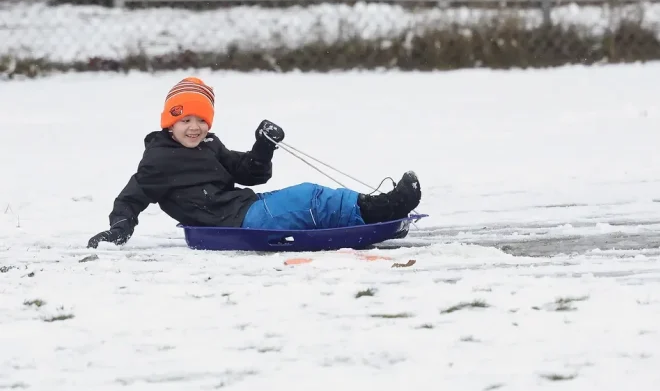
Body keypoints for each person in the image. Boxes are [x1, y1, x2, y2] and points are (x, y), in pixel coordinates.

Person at [86, 76, 422, 249]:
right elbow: (132, 196)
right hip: (233, 224)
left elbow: (250, 173)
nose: (194, 127)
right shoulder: (157, 161)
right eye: (184, 120)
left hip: (247, 210)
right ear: (169, 123)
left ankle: (372, 209)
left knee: (311, 199)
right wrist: (120, 227)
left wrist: (263, 147)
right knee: (308, 198)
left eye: (200, 120)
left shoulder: (210, 146)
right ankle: (381, 209)